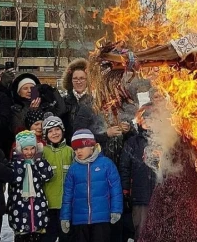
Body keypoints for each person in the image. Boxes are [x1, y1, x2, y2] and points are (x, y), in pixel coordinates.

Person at [60, 129, 123, 242]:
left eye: (82, 147)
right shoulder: (73, 169)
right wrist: (65, 217)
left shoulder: (106, 164)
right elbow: (67, 196)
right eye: (75, 149)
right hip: (80, 219)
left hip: (101, 218)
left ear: (92, 146)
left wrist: (116, 210)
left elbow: (116, 189)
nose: (78, 151)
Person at [120, 103, 157, 241]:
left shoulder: (164, 140)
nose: (148, 122)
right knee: (141, 231)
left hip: (160, 195)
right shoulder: (132, 142)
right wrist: (125, 190)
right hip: (139, 197)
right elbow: (124, 168)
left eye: (152, 119)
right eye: (145, 119)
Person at [7, 130, 53, 242]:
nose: (29, 152)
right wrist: (20, 160)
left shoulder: (38, 162)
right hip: (20, 211)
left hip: (38, 208)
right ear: (19, 149)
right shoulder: (14, 164)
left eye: (32, 148)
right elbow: (16, 178)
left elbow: (48, 175)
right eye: (25, 149)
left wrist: (38, 159)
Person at [42, 115, 74, 242]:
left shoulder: (70, 151)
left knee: (66, 236)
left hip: (67, 205)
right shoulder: (42, 152)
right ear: (45, 134)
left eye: (57, 129)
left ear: (62, 130)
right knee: (48, 236)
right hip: (48, 206)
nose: (54, 133)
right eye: (50, 131)